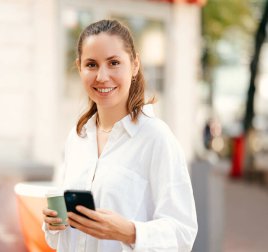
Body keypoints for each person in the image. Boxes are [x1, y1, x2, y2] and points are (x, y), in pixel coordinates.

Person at [42, 19, 197, 251]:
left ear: (134, 65)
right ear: (79, 67)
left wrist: (129, 232)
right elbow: (62, 234)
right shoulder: (78, 137)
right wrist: (53, 223)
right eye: (91, 65)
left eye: (114, 63)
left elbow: (183, 233)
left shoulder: (156, 138)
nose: (102, 76)